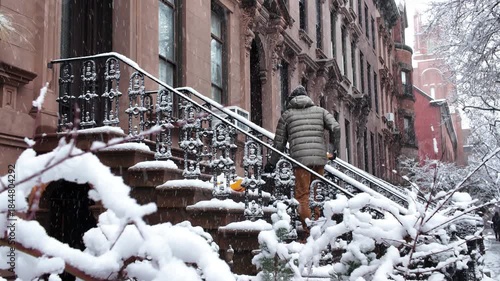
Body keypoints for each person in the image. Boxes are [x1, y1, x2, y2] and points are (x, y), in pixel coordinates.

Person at [264, 85, 340, 240]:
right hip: (319, 159)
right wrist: (334, 150)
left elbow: (279, 143)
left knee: (303, 195)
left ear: (292, 99)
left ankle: (308, 231)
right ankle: (317, 227)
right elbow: (336, 128)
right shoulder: (320, 111)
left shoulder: (287, 115)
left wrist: (271, 163)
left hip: (300, 161)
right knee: (316, 194)